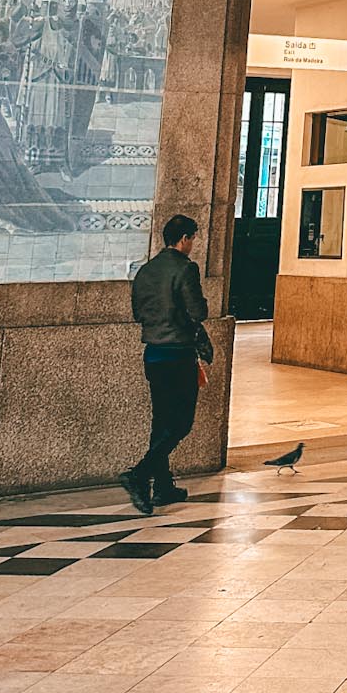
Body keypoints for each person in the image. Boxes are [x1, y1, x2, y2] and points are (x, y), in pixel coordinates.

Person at [120, 213, 209, 515]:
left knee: (161, 422)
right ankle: (140, 474)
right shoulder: (185, 269)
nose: (193, 244)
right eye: (193, 238)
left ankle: (163, 486)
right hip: (178, 354)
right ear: (184, 239)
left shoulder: (146, 271)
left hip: (154, 355)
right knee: (181, 422)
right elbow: (198, 310)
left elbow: (137, 312)